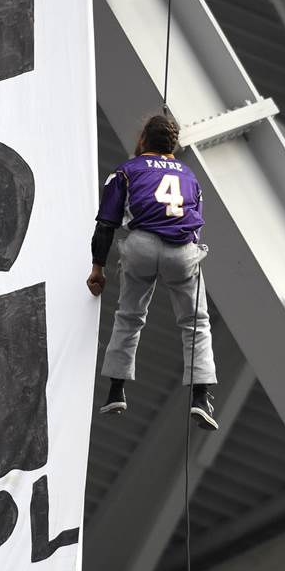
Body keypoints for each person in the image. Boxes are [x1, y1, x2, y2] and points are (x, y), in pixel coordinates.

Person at [87, 113, 218, 431]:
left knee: (129, 317)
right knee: (195, 323)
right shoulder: (189, 175)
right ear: (172, 145)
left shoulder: (126, 171)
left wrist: (98, 268)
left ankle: (116, 391)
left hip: (142, 246)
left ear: (143, 139)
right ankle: (200, 398)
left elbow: (106, 224)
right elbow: (195, 226)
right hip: (181, 252)